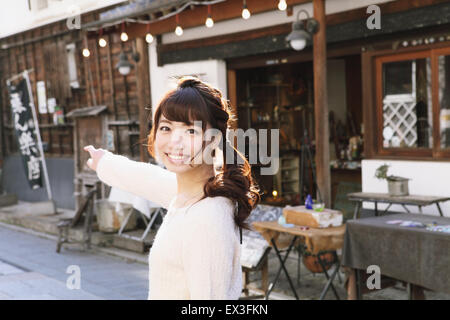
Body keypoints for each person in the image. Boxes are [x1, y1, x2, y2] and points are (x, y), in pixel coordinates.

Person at [83, 76, 260, 300]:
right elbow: (151, 179)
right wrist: (105, 162)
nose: (176, 141)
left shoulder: (208, 216)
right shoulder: (192, 195)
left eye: (191, 131)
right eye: (166, 128)